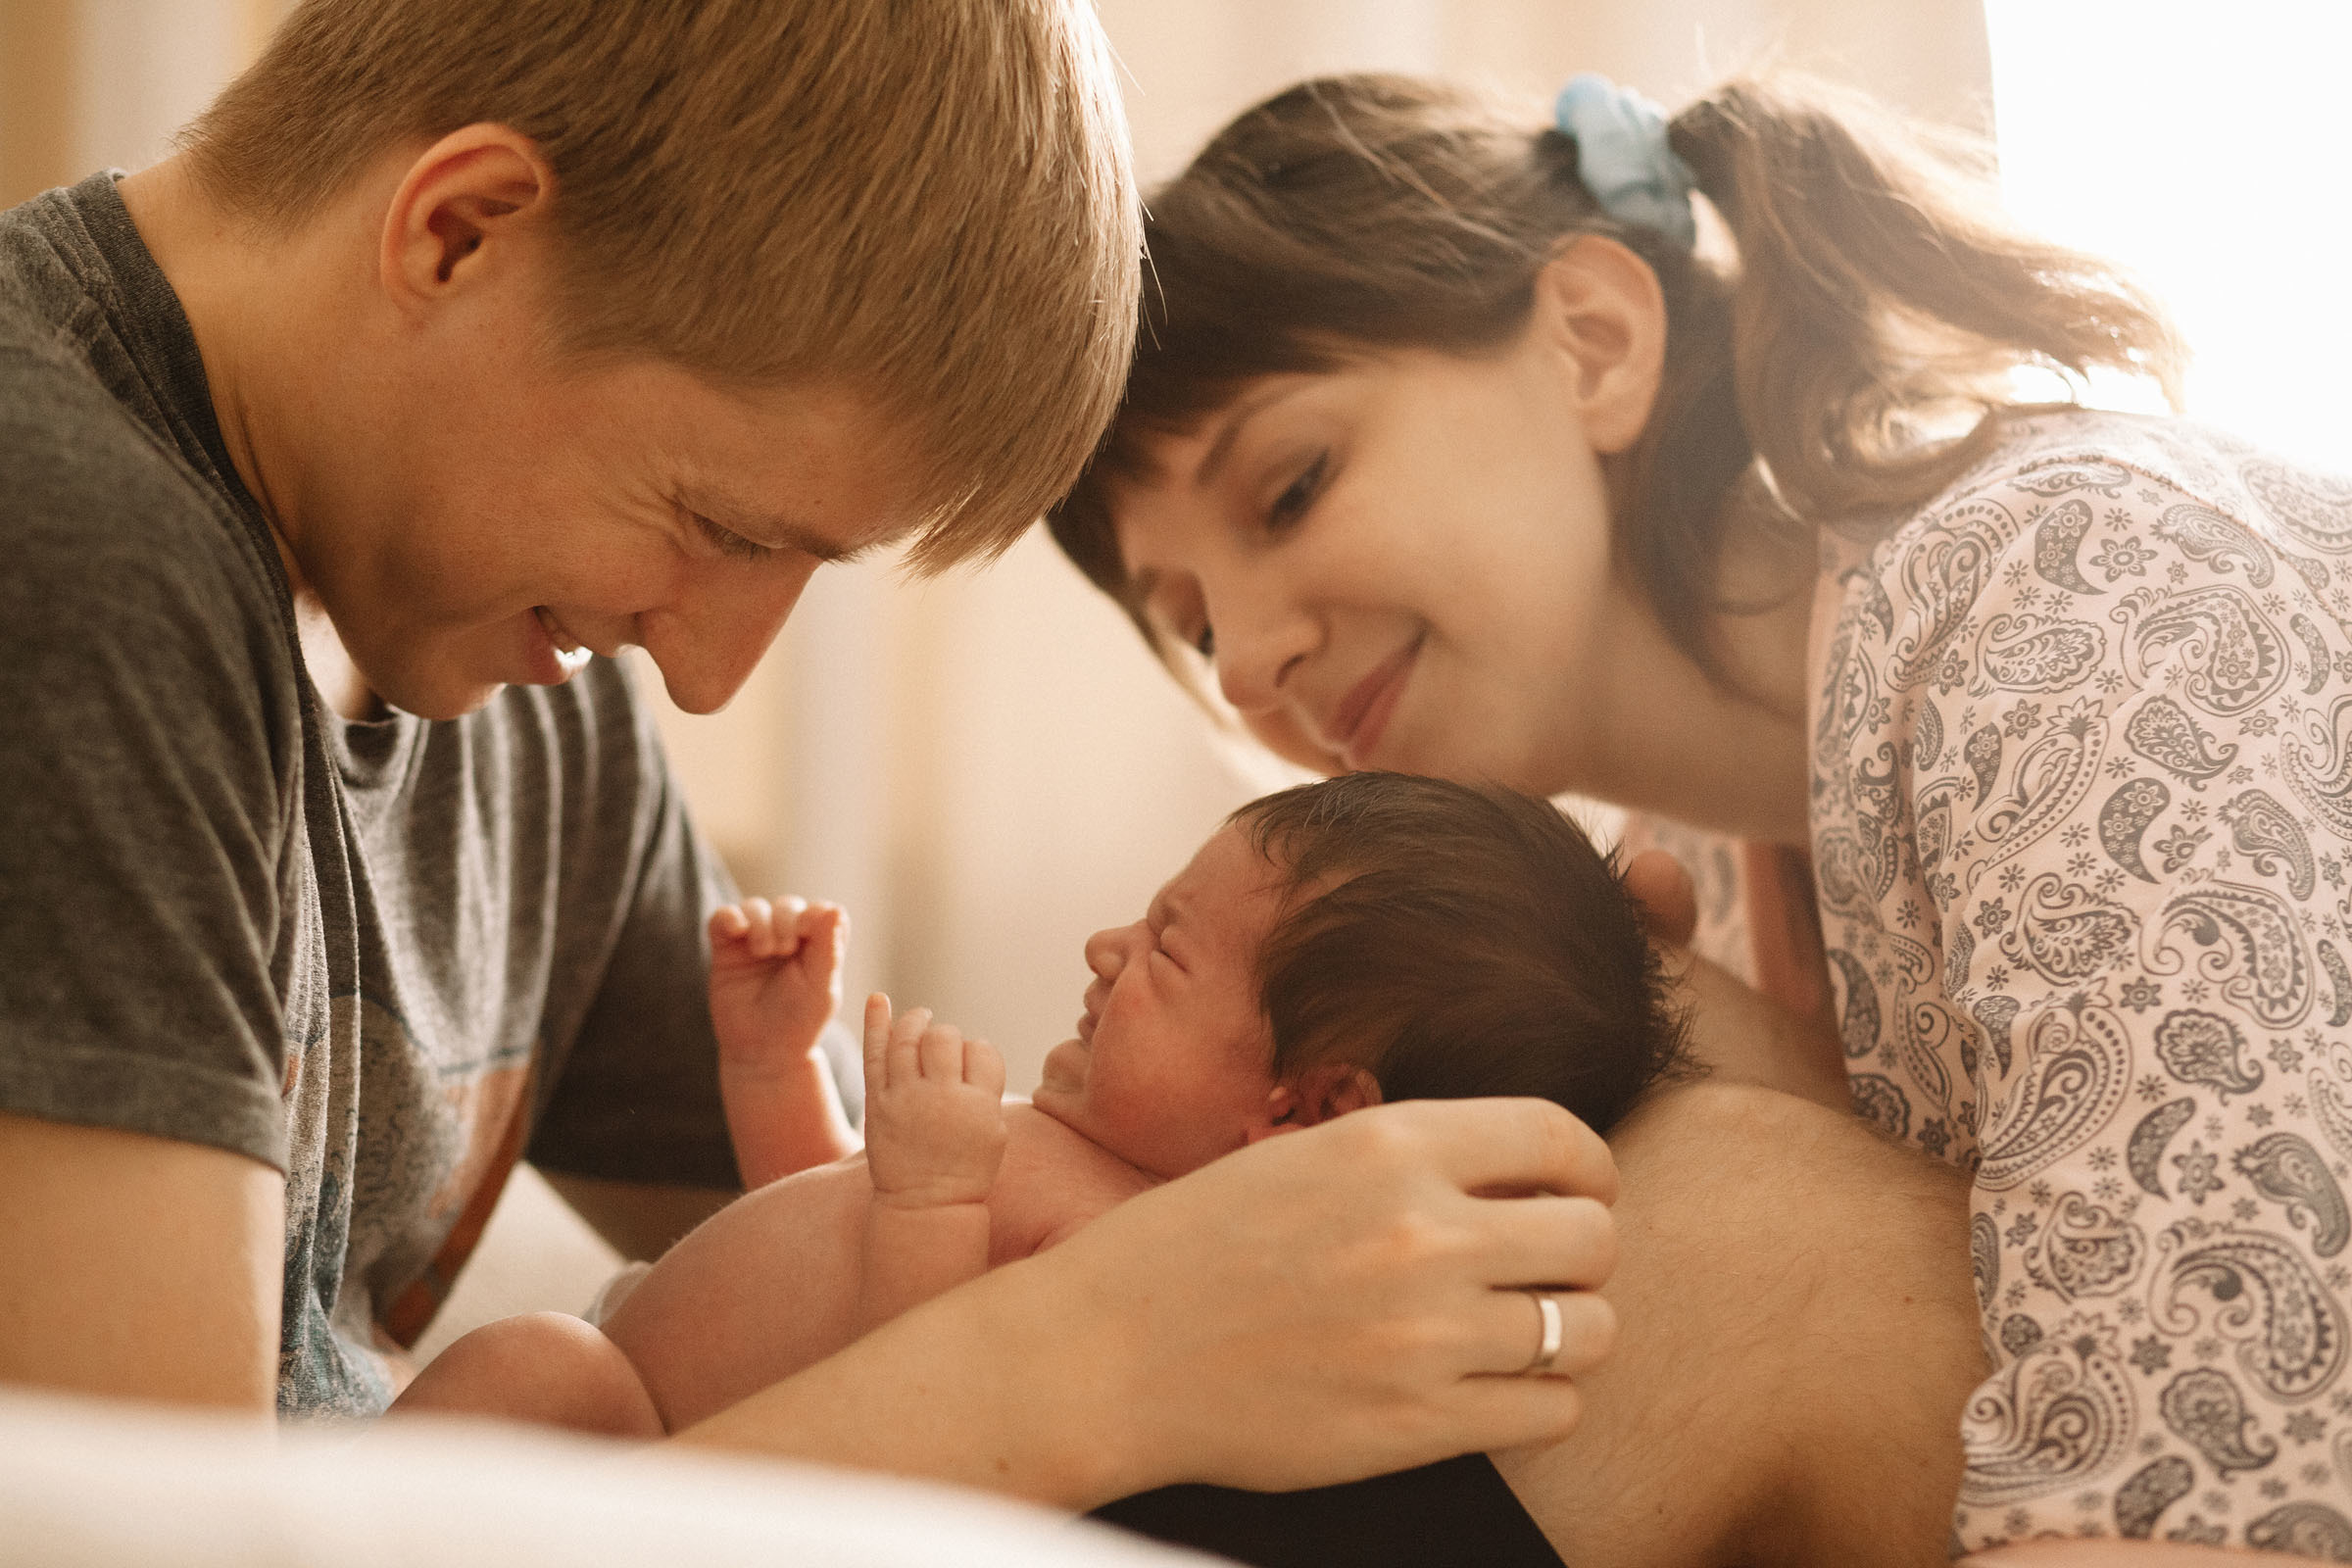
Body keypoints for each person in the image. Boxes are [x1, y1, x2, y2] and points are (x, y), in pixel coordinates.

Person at [0, 0, 1627, 1515]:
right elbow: (149, 1541)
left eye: (802, 565)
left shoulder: (524, 683)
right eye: (714, 524)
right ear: (457, 231)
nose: (705, 679)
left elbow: (824, 1248)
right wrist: (1081, 1368)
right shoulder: (64, 556)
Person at [1047, 68, 2352, 1557]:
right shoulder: (1704, 877)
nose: (1255, 659)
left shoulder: (2084, 596)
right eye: (1197, 627)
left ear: (1592, 340)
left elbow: (2212, 1459)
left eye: (1290, 490)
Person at [390, 772, 1688, 1437]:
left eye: (1169, 953)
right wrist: (774, 1064)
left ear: (1304, 1112)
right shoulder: (1073, 1148)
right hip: (673, 1409)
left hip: (661, 1438)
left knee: (527, 1367)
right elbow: (814, 1232)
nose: (1105, 947)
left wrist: (932, 1196)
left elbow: (926, 1391)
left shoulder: (1143, 1253)